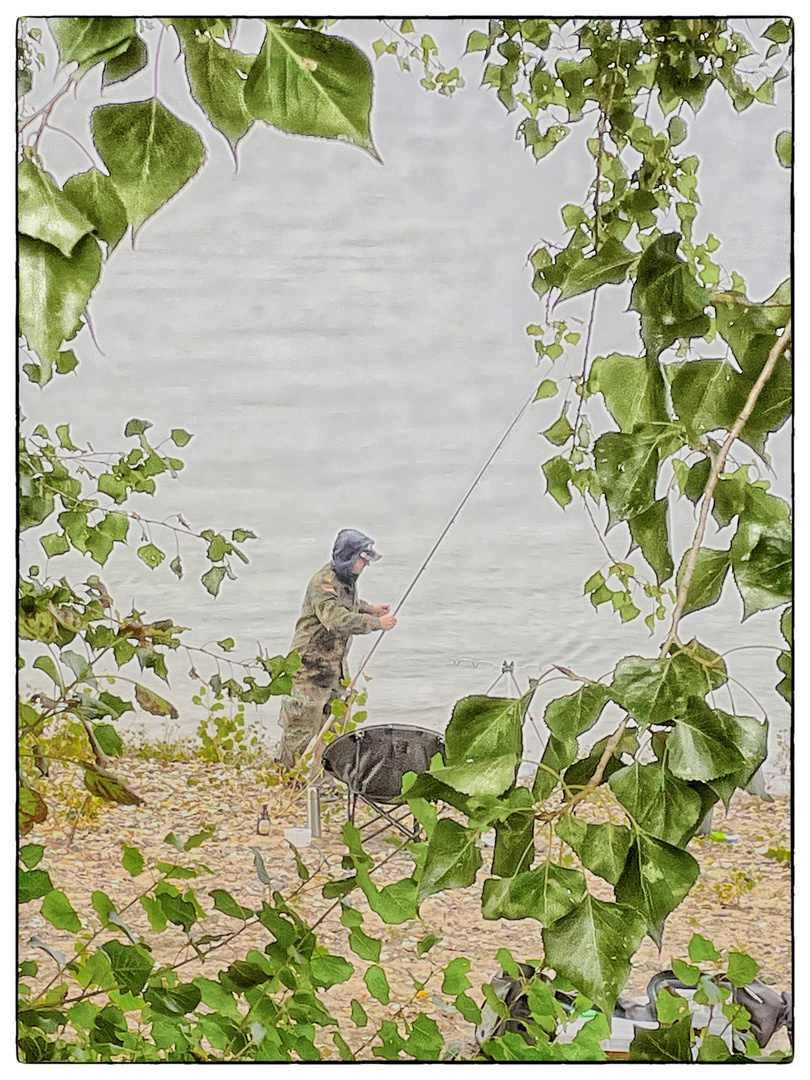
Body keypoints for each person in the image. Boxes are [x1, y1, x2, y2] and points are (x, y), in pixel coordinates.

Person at [276, 529, 397, 767]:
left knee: (336, 725)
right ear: (350, 558)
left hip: (335, 668)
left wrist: (368, 608)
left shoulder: (345, 582)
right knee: (301, 728)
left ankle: (326, 776)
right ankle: (290, 780)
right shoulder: (324, 582)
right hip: (308, 668)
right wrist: (376, 624)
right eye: (362, 558)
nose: (365, 564)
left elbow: (345, 605)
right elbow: (336, 619)